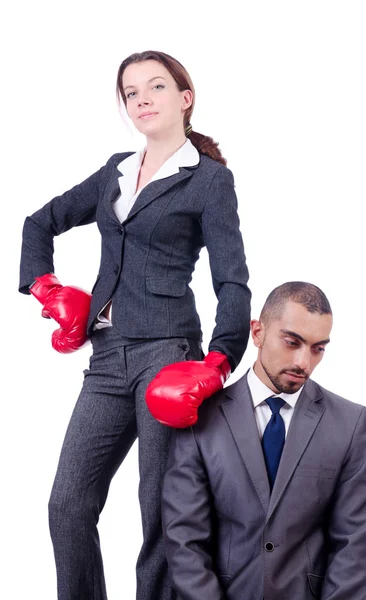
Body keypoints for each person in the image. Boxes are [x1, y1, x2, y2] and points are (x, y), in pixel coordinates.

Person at [18, 50, 251, 600]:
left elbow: (233, 281)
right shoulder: (114, 171)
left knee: (162, 513)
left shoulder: (210, 181)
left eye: (156, 87)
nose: (142, 98)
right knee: (67, 504)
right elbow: (38, 222)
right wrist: (44, 287)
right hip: (105, 357)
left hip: (167, 355)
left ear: (184, 99)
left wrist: (219, 360)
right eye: (131, 92)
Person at [162, 281, 366, 600]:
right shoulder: (201, 419)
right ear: (257, 332)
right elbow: (184, 540)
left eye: (318, 348)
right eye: (293, 342)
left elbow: (355, 546)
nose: (304, 363)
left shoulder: (351, 423)